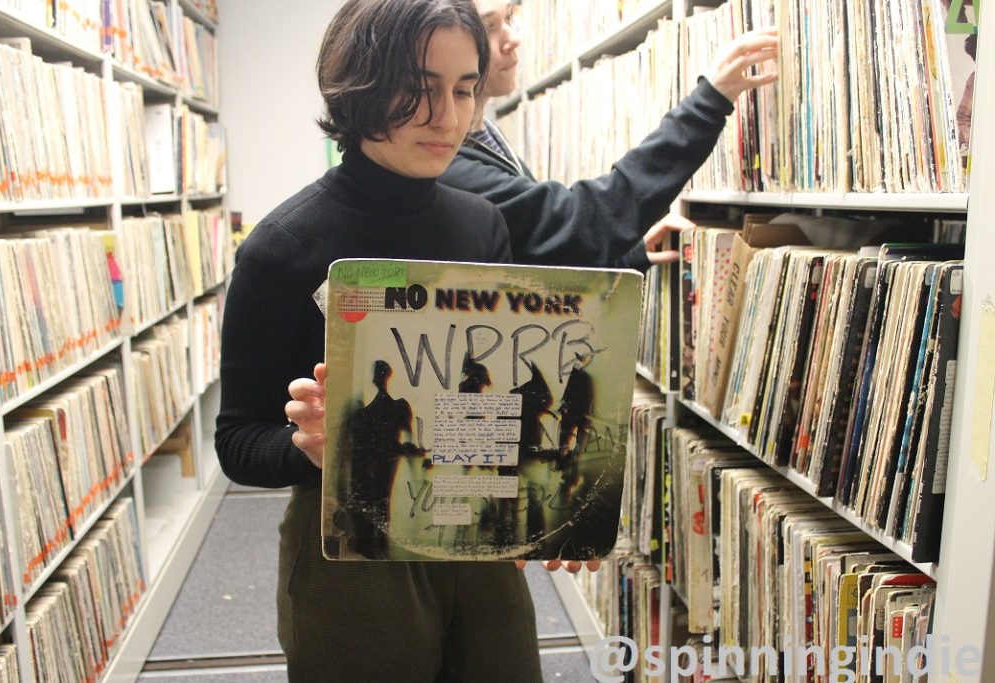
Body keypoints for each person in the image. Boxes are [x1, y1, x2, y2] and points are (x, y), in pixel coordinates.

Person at [215, 1, 547, 679]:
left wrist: (552, 499)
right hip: (350, 551)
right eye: (420, 88)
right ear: (361, 84)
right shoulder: (282, 247)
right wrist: (308, 444)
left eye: (464, 90)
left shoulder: (484, 226)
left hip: (472, 529)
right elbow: (237, 439)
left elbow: (494, 404)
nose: (448, 118)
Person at [439, 0, 780, 270]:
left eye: (509, 17)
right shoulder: (446, 161)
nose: (513, 38)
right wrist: (708, 103)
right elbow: (575, 222)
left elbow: (538, 250)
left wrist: (628, 256)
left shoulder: (483, 132)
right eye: (490, 27)